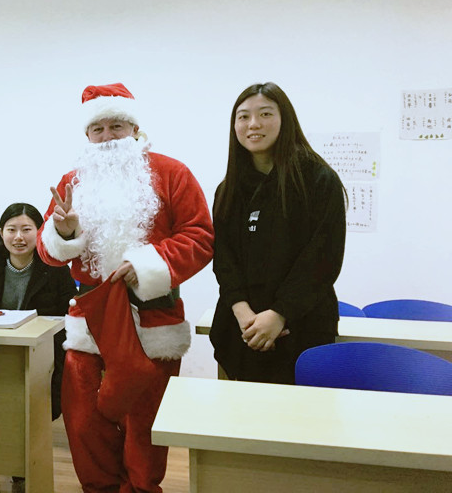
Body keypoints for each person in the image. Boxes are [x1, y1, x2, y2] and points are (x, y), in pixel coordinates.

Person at [37, 83, 214, 493]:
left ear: (134, 129)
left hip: (154, 323)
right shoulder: (71, 182)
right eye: (97, 129)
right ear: (87, 135)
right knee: (84, 424)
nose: (107, 137)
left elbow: (200, 237)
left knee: (145, 428)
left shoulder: (172, 173)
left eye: (116, 126)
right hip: (90, 324)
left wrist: (147, 264)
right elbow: (48, 254)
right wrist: (65, 233)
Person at [209, 82, 346, 384]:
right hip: (241, 329)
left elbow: (323, 259)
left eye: (265, 114)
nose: (253, 124)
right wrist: (243, 312)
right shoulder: (228, 189)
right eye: (243, 116)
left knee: (301, 411)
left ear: (286, 119)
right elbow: (224, 259)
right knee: (241, 411)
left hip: (302, 325)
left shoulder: (319, 180)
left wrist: (279, 314)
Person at [0, 202, 78, 493]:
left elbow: (69, 316)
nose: (19, 237)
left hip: (38, 358)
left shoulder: (55, 270)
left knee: (25, 419)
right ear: (1, 233)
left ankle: (22, 472)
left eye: (26, 229)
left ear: (40, 233)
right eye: (11, 230)